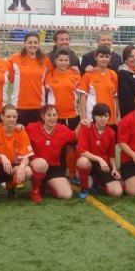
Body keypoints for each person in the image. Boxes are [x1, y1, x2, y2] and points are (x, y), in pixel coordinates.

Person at [0, 104, 34, 204]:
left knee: (27, 171)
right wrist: (1, 156)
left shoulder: (21, 132)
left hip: (12, 168)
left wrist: (22, 165)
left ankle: (10, 186)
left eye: (14, 117)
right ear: (2, 117)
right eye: (8, 116)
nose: (11, 119)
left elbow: (26, 156)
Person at [26, 105, 80, 201]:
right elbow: (21, 134)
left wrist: (82, 123)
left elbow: (74, 136)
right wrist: (19, 127)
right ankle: (35, 190)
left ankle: (45, 185)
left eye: (54, 115)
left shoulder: (62, 129)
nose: (52, 118)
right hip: (38, 165)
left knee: (66, 195)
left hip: (54, 168)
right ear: (43, 117)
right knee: (41, 163)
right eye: (49, 115)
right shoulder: (32, 128)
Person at [44, 48, 81, 179]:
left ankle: (72, 174)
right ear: (55, 61)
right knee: (57, 147)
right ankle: (57, 172)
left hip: (72, 116)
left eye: (66, 60)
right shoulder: (49, 75)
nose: (63, 63)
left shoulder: (76, 75)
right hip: (55, 118)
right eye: (61, 60)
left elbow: (82, 96)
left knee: (71, 147)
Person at [76, 102, 122, 198]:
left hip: (103, 166)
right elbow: (82, 151)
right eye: (100, 116)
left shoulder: (111, 132)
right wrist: (99, 159)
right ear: (94, 116)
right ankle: (84, 188)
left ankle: (97, 181)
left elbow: (111, 155)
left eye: (106, 116)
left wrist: (114, 168)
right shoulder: (86, 127)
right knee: (83, 161)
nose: (103, 119)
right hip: (90, 162)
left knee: (117, 192)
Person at [8, 32, 48, 125]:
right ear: (24, 43)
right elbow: (1, 68)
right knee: (19, 136)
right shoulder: (14, 58)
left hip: (39, 106)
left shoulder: (45, 60)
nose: (32, 45)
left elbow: (56, 72)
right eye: (30, 42)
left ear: (39, 44)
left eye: (35, 43)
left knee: (36, 138)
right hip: (19, 106)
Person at [78, 45, 119, 127]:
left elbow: (115, 97)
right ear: (96, 57)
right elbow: (83, 97)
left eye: (107, 57)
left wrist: (118, 116)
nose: (104, 59)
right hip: (93, 117)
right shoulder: (88, 74)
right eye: (101, 56)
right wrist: (83, 117)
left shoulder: (113, 74)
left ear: (110, 58)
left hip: (110, 117)